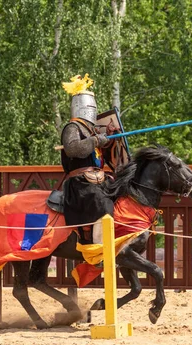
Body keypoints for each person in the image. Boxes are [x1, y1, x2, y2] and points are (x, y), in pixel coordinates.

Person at [60, 74, 115, 245]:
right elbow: (73, 149)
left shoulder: (90, 130)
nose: (92, 109)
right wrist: (96, 140)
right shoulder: (73, 127)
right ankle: (99, 247)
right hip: (80, 183)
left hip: (95, 180)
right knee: (102, 202)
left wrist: (109, 136)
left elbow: (100, 150)